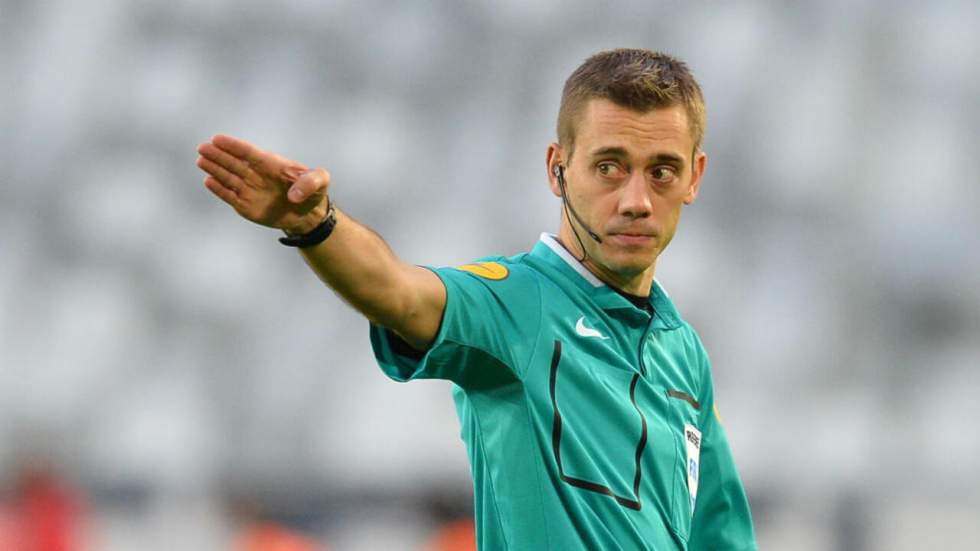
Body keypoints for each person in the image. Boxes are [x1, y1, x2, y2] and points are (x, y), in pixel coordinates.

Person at [197, 48, 757, 551]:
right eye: (608, 167)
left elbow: (720, 536)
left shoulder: (683, 351)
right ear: (557, 170)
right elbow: (396, 291)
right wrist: (318, 226)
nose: (636, 200)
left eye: (662, 171)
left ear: (695, 177)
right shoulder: (517, 304)